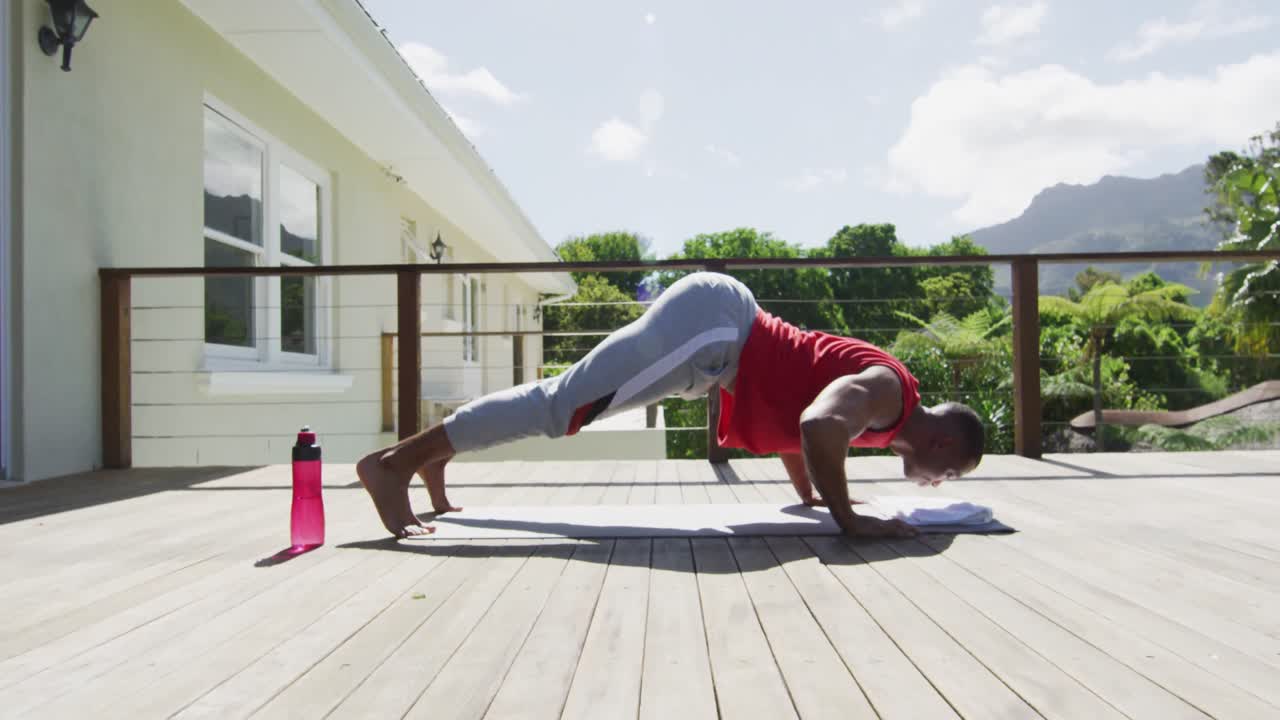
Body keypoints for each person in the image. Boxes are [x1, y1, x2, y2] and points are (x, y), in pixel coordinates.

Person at [357, 272, 985, 539]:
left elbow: (806, 422)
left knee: (563, 402)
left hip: (717, 339)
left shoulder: (889, 414)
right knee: (563, 406)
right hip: (714, 331)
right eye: (949, 473)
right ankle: (395, 463)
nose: (939, 483)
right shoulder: (890, 393)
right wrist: (851, 520)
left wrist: (816, 496)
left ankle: (432, 455)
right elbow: (820, 423)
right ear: (942, 443)